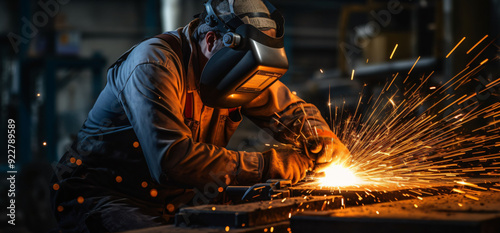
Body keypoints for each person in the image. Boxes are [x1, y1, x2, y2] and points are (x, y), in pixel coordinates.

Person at [51, 0, 350, 232]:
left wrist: (320, 137)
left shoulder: (238, 68)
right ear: (210, 42)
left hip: (178, 198)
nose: (247, 82)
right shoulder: (153, 65)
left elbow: (291, 110)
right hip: (102, 196)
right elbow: (173, 160)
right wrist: (271, 165)